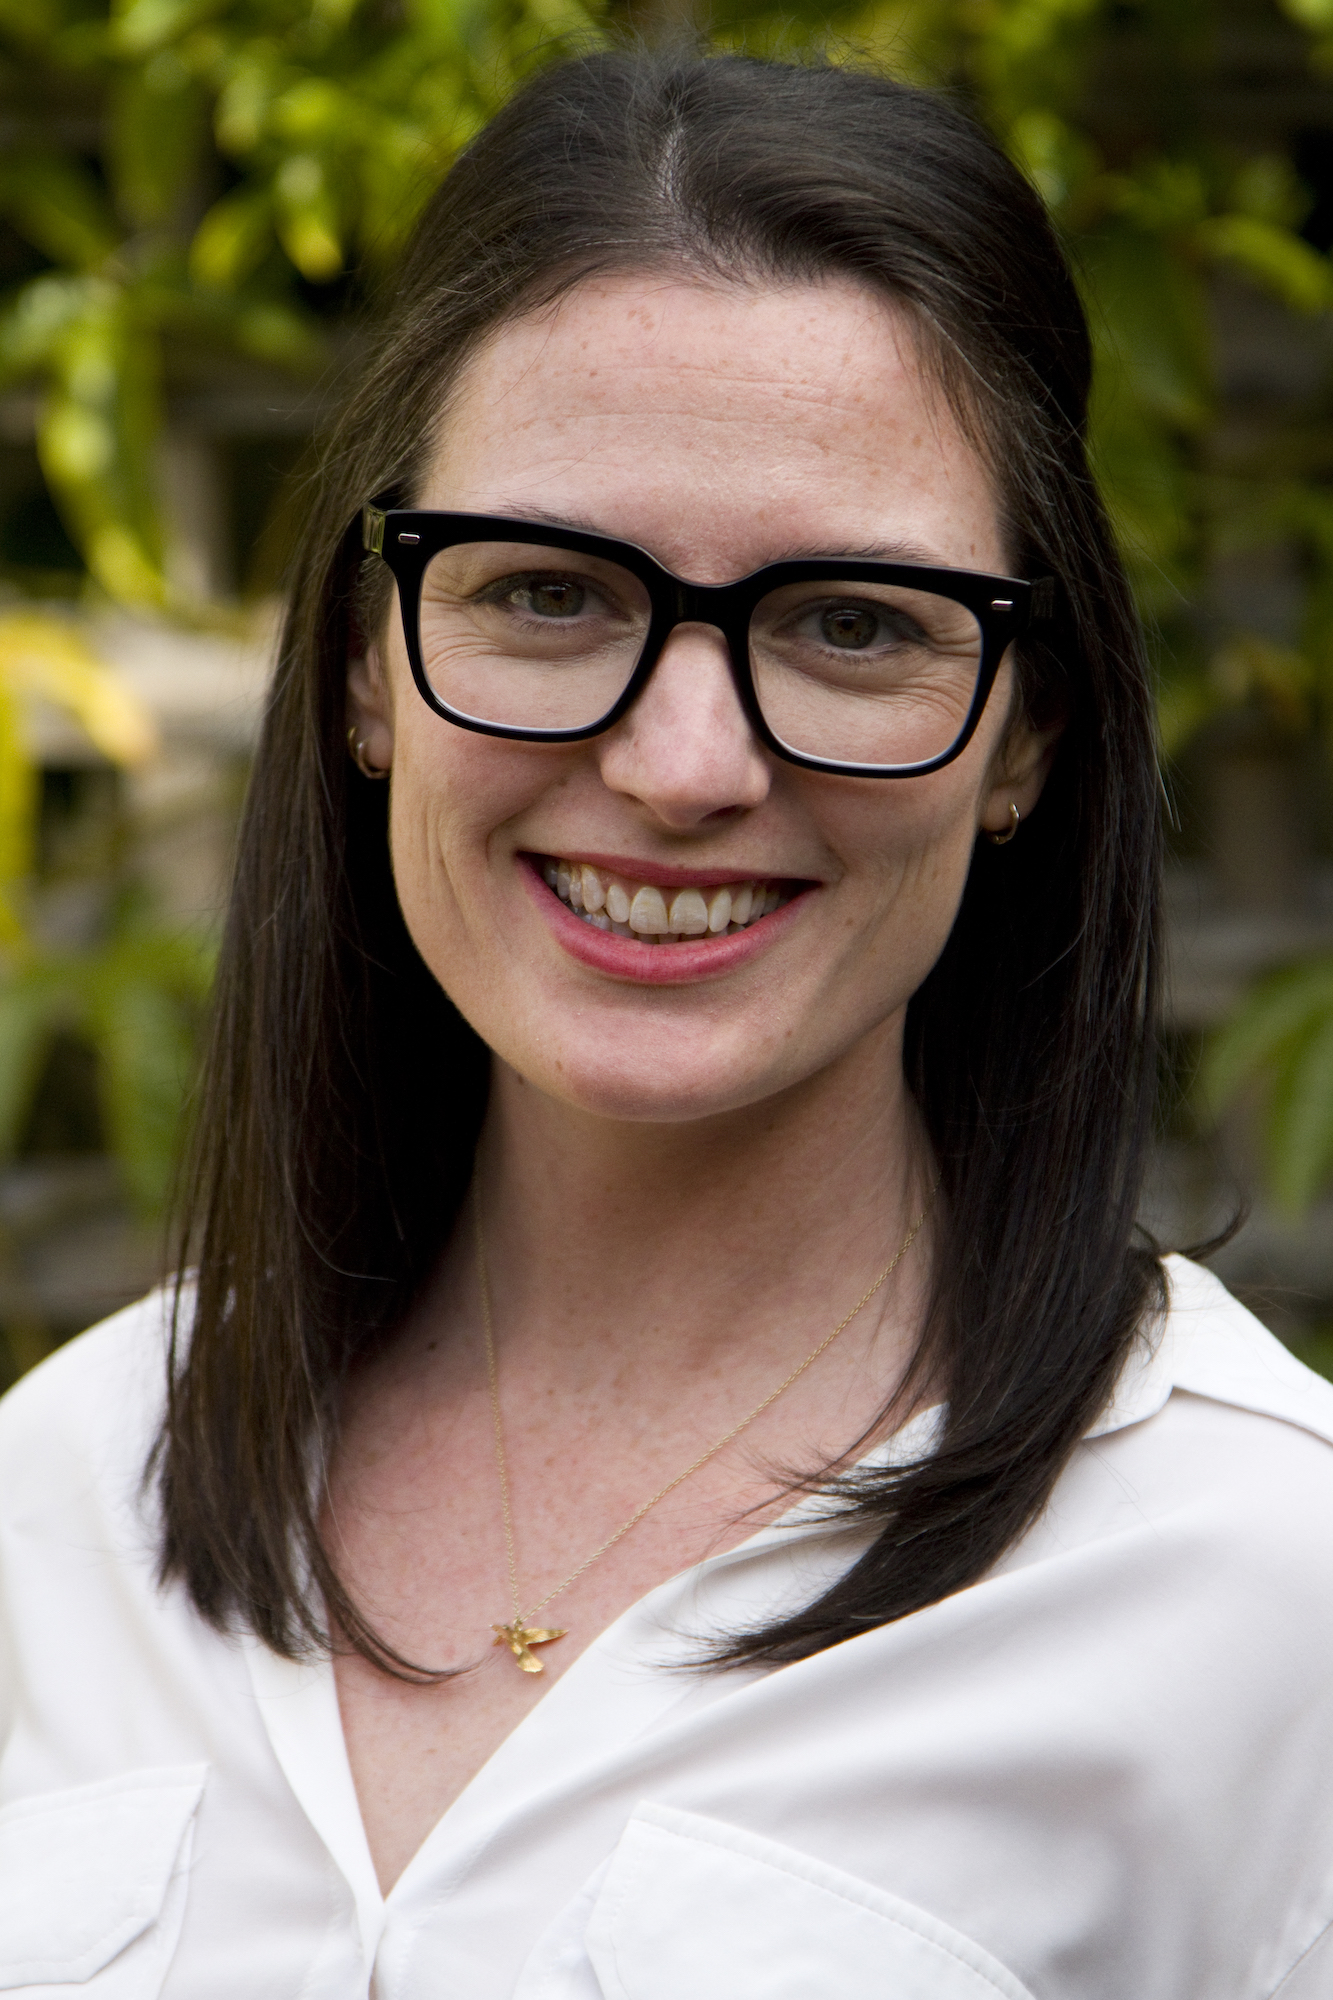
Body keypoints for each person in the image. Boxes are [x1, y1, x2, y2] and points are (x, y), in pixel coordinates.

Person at [2, 47, 1332, 2000]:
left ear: (1029, 729)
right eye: (545, 592)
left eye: (852, 620)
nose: (682, 760)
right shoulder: (58, 1503)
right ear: (369, 666)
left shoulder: (1265, 1584)